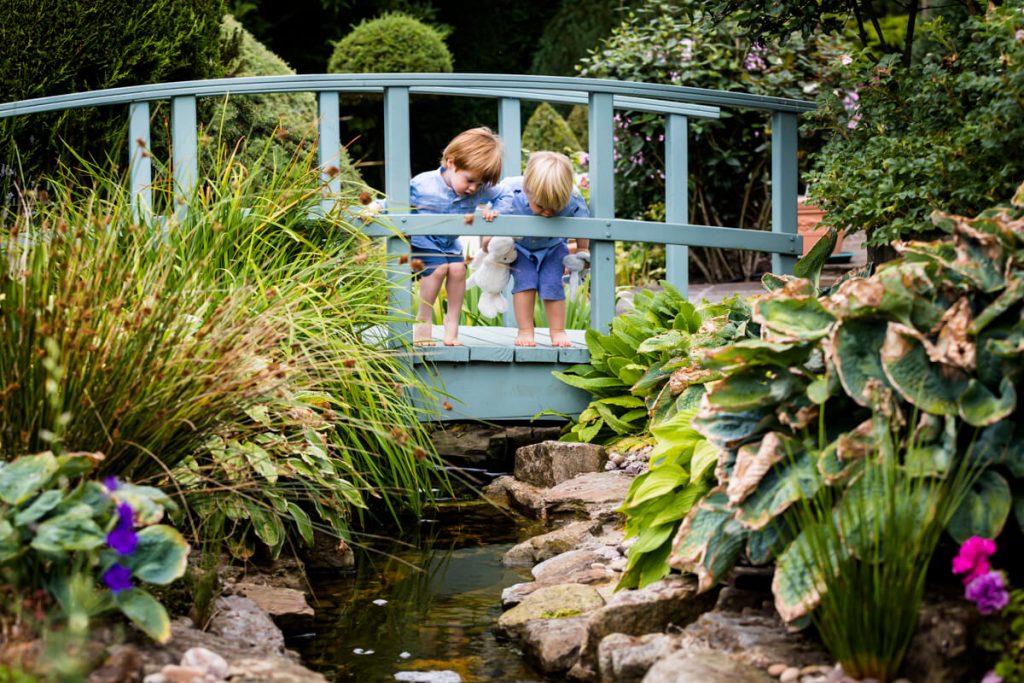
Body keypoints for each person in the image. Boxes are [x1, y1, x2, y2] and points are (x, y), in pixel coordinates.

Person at [404, 127, 504, 346]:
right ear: (451, 162)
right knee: (439, 269)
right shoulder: (424, 184)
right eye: (469, 180)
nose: (473, 189)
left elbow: (503, 195)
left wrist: (494, 208)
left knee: (459, 269)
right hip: (424, 238)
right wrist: (373, 208)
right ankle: (423, 322)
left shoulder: (478, 188)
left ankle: (452, 325)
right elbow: (395, 202)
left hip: (449, 241)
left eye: (479, 184)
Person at [482, 151, 590, 348]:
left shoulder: (572, 196)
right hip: (521, 247)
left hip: (553, 246)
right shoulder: (510, 190)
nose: (547, 213)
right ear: (527, 189)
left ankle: (557, 331)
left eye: (555, 208)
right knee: (525, 285)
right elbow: (494, 208)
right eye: (540, 206)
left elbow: (583, 222)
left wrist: (582, 249)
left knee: (553, 285)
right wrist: (489, 232)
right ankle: (525, 330)